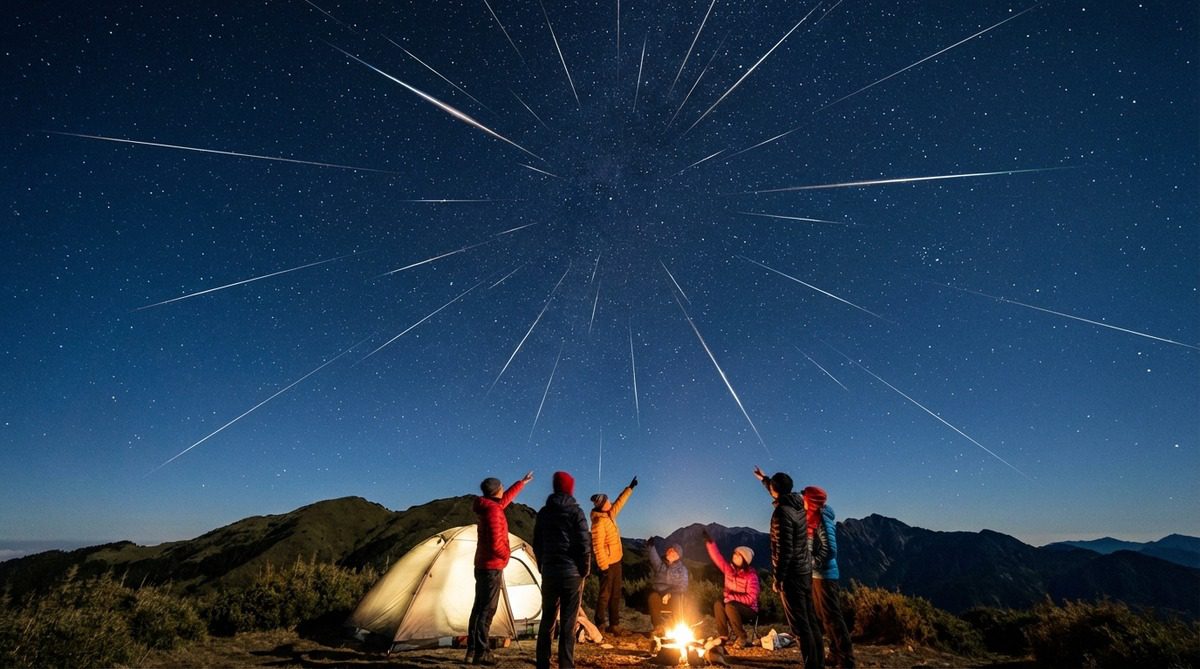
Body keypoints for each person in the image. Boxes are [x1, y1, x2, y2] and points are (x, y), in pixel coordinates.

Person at [754, 466, 823, 669]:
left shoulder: (781, 513)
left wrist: (778, 578)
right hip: (804, 571)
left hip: (791, 575)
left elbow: (784, 549)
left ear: (776, 490)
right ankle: (819, 663)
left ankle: (812, 665)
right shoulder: (798, 506)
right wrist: (764, 479)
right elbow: (779, 491)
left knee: (800, 627)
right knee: (810, 621)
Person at [467, 471, 533, 665]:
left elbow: (504, 500)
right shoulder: (494, 511)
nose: (504, 489)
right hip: (492, 566)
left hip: (483, 564)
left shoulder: (489, 507)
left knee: (479, 608)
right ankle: (482, 653)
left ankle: (472, 650)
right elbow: (497, 544)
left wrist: (521, 483)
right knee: (486, 611)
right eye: (502, 486)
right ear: (497, 490)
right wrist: (506, 556)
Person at [533, 471, 591, 669]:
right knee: (568, 621)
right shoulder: (576, 513)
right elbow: (584, 544)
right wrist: (584, 569)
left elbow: (537, 544)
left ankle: (543, 663)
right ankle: (566, 664)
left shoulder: (543, 513)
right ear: (570, 488)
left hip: (550, 573)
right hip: (571, 574)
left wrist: (543, 565)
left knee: (547, 619)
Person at [803, 486, 855, 669]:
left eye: (805, 497)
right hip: (818, 575)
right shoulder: (811, 519)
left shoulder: (822, 521)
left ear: (812, 501)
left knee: (832, 618)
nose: (802, 500)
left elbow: (830, 549)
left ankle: (847, 660)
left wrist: (813, 563)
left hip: (826, 575)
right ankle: (834, 654)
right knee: (824, 617)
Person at [589, 476, 638, 634]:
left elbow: (619, 503)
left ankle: (614, 624)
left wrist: (629, 488)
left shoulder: (609, 514)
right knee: (605, 595)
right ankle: (600, 624)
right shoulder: (599, 522)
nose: (610, 503)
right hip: (607, 564)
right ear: (602, 506)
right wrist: (603, 567)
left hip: (617, 561)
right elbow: (597, 547)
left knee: (615, 594)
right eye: (607, 502)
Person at [702, 528, 760, 648]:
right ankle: (723, 636)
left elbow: (751, 598)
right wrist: (710, 543)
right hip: (732, 606)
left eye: (739, 555)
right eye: (735, 553)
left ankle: (742, 637)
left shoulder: (751, 576)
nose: (735, 555)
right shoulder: (729, 570)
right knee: (718, 604)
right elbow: (717, 557)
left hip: (749, 611)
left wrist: (732, 597)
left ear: (745, 560)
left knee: (729, 605)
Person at [646, 538, 690, 635]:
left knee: (677, 598)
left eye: (673, 551)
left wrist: (669, 593)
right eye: (669, 549)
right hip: (659, 594)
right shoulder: (661, 565)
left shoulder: (682, 569)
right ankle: (658, 628)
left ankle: (677, 628)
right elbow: (653, 558)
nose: (669, 551)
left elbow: (683, 586)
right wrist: (650, 546)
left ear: (677, 555)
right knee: (653, 597)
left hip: (673, 596)